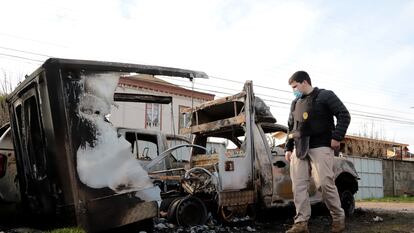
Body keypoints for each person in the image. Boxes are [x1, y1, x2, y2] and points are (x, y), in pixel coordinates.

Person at [284, 71, 351, 233]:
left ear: (304, 82)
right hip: (299, 147)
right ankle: (301, 223)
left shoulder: (325, 95)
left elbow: (344, 115)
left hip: (320, 145)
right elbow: (291, 126)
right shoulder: (295, 103)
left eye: (295, 86)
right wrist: (288, 147)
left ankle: (338, 217)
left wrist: (337, 137)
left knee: (325, 183)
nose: (294, 90)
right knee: (298, 186)